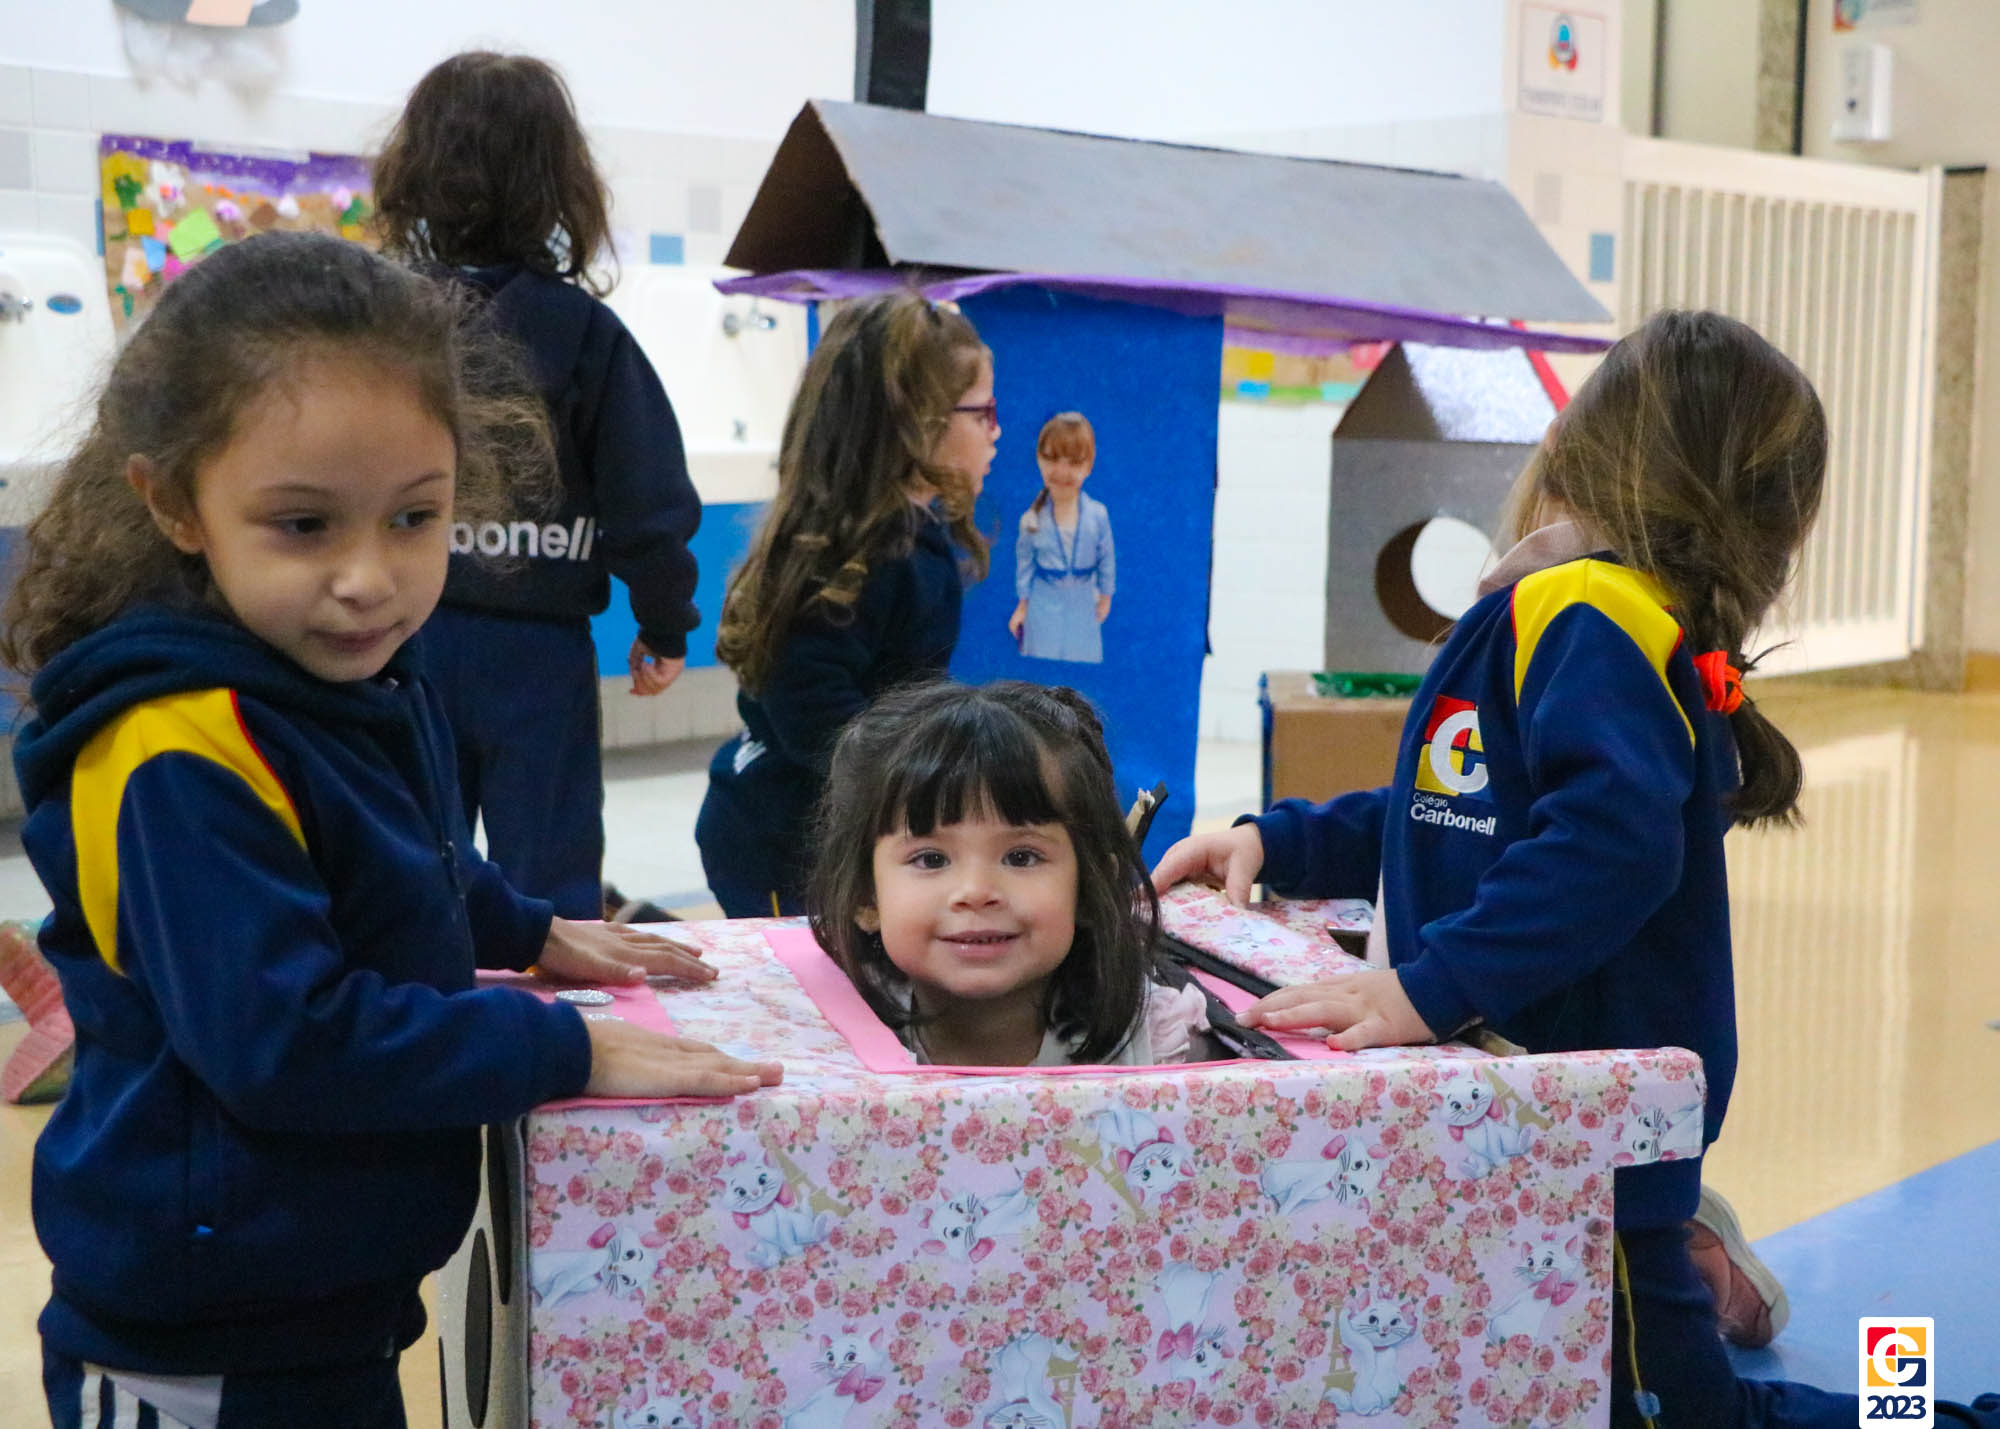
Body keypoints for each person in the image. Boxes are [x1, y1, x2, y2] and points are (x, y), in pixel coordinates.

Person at [1152, 310, 2000, 1427]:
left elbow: (1612, 846)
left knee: (1686, 1413)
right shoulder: (1557, 609)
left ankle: (1936, 1400)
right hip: (1547, 1125)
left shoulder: (1588, 613)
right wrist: (1282, 840)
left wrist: (1430, 987)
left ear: (1572, 444)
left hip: (1586, 1135)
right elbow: (1457, 806)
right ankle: (1697, 1251)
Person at [3, 233, 780, 1429]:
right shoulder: (176, 752)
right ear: (175, 504)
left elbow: (400, 852)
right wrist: (556, 1047)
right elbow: (289, 1041)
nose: (371, 577)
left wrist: (527, 928)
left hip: (324, 1297)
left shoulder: (348, 671)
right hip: (198, 1337)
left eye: (415, 516)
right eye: (304, 525)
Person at [374, 51, 700, 920]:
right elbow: (648, 503)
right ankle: (560, 1005)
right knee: (551, 877)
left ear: (414, 172)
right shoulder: (584, 333)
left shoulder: (381, 323)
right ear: (560, 183)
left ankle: (423, 997)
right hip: (540, 652)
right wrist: (664, 623)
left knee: (410, 863)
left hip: (404, 635)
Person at [696, 292, 997, 918]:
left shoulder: (912, 539)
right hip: (782, 842)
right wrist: (923, 785)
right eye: (983, 413)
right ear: (918, 424)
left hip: (837, 833)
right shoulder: (851, 557)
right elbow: (815, 713)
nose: (996, 432)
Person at [810, 681, 1212, 1066]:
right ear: (865, 896)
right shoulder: (819, 1033)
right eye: (930, 859)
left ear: (1091, 888)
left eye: (1021, 857)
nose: (976, 891)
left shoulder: (1162, 1044)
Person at [1008, 412, 1115, 663]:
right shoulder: (1031, 520)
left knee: (1081, 663)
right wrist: (1023, 606)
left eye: (1074, 462)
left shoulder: (1098, 515)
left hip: (1083, 601)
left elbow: (1106, 559)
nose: (1062, 471)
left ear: (1089, 465)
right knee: (1041, 666)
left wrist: (1105, 597)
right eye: (1052, 459)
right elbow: (1025, 566)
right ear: (1038, 459)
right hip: (1043, 601)